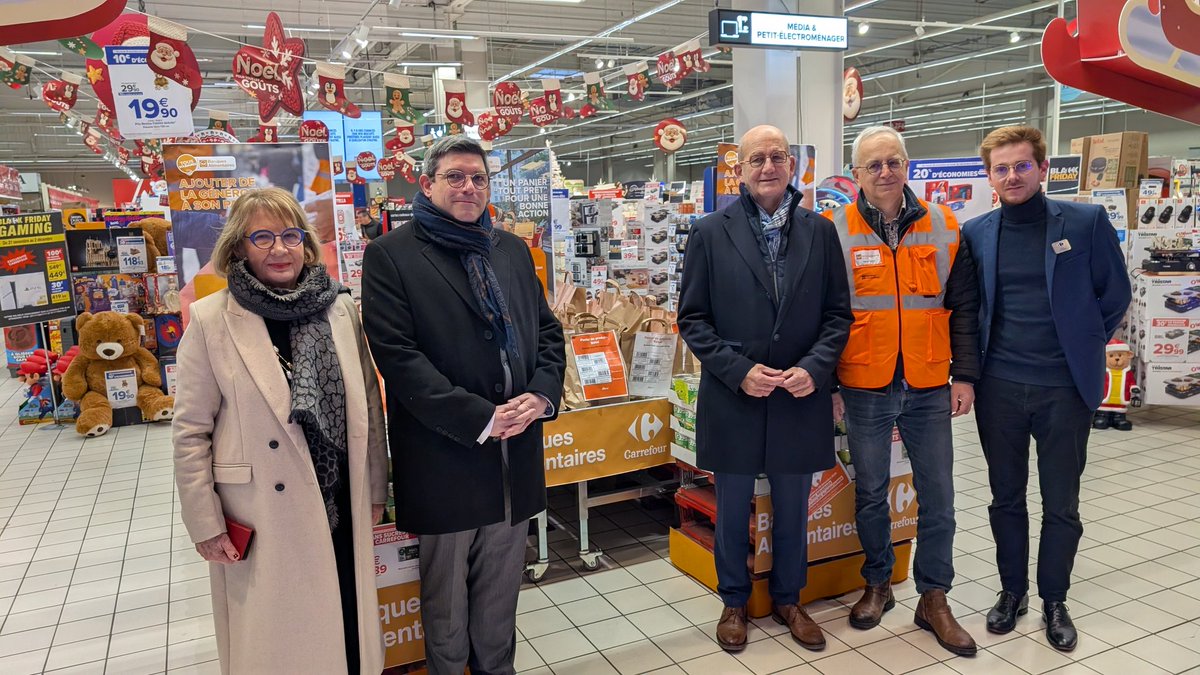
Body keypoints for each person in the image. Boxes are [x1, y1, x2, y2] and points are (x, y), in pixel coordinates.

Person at [360, 135, 565, 675]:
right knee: (446, 600)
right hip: (444, 454)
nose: (468, 187)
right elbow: (399, 359)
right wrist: (480, 417)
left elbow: (547, 333)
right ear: (426, 185)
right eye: (455, 176)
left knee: (501, 592)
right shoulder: (392, 255)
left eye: (478, 177)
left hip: (514, 454)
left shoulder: (511, 250)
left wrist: (540, 396)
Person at [173, 187, 387, 674]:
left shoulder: (339, 309)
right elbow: (189, 431)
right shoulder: (212, 319)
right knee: (281, 641)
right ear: (238, 248)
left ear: (306, 244)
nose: (279, 248)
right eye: (262, 237)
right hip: (264, 510)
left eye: (290, 235)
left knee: (346, 624)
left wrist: (376, 486)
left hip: (340, 496)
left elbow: (369, 409)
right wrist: (204, 522)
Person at [677, 124, 852, 654]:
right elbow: (693, 318)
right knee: (732, 503)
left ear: (792, 165)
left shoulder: (819, 233)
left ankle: (789, 598)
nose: (769, 166)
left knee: (794, 504)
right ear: (741, 169)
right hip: (736, 394)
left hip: (799, 394)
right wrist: (739, 370)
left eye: (778, 156)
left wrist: (815, 369)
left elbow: (837, 315)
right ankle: (734, 600)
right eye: (757, 158)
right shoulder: (710, 231)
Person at [962, 126, 1131, 652]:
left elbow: (1114, 293)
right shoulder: (977, 233)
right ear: (990, 176)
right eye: (1001, 168)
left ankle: (1054, 598)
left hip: (1064, 389)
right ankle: (1012, 592)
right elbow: (970, 309)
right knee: (1005, 499)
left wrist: (1079, 343)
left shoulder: (1084, 222)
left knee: (1062, 502)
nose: (1012, 176)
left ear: (1040, 168)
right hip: (999, 389)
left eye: (1021, 166)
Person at [826, 126, 980, 656]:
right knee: (870, 492)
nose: (885, 172)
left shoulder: (943, 224)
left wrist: (965, 376)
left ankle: (934, 595)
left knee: (939, 495)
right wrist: (829, 384)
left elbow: (963, 308)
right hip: (863, 382)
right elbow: (825, 315)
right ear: (857, 175)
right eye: (874, 165)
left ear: (907, 165)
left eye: (893, 162)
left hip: (930, 380)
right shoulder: (835, 230)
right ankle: (878, 583)